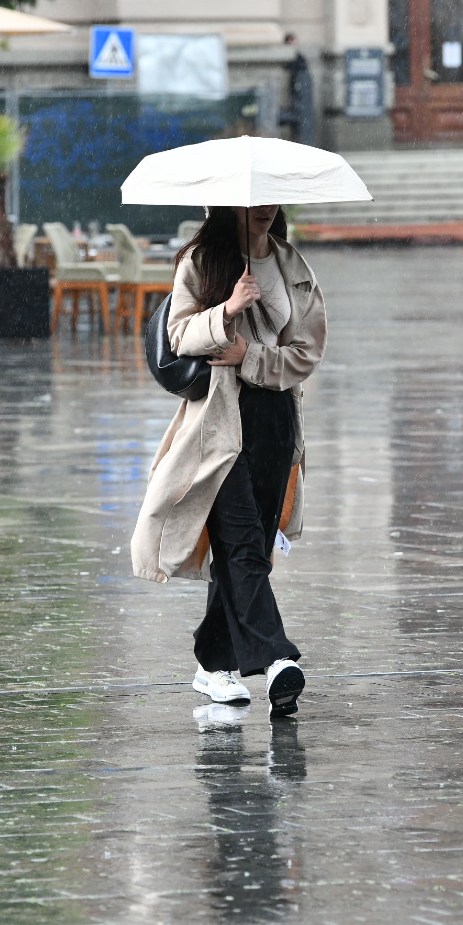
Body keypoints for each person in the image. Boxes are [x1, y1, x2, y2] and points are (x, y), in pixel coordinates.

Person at [131, 204, 326, 718]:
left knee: (253, 549)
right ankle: (278, 658)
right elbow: (178, 337)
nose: (264, 210)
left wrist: (253, 358)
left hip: (276, 419)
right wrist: (227, 308)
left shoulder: (292, 266)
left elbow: (308, 350)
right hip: (218, 423)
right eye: (253, 202)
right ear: (229, 204)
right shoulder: (201, 261)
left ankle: (213, 661)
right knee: (240, 541)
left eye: (271, 201)